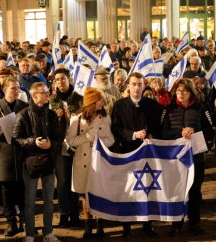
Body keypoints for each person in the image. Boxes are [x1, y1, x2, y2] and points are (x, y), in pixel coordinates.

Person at [111, 72, 161, 238]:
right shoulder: (119, 105)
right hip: (128, 152)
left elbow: (158, 126)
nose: (137, 87)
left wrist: (152, 134)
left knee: (147, 188)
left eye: (140, 84)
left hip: (147, 154)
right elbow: (116, 129)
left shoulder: (152, 105)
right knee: (128, 189)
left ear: (144, 86)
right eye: (134, 84)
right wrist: (133, 134)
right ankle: (126, 226)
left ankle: (147, 224)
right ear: (128, 86)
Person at [162, 78, 213, 236]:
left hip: (196, 157)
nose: (181, 94)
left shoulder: (200, 108)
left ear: (191, 92)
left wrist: (195, 133)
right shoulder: (168, 109)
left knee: (195, 191)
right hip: (175, 159)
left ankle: (195, 223)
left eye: (184, 91)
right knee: (177, 191)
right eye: (178, 91)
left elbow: (210, 132)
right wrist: (180, 133)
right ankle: (176, 224)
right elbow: (162, 133)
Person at [13, 82, 62, 242]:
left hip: (49, 161)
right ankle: (29, 235)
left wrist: (51, 144)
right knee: (30, 200)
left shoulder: (52, 115)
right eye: (44, 92)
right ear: (34, 96)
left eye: (47, 92)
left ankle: (48, 232)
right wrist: (33, 142)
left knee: (49, 200)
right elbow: (16, 138)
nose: (48, 95)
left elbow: (59, 137)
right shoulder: (22, 115)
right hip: (30, 162)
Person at [66, 87, 114, 240]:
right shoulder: (77, 119)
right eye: (99, 100)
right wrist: (88, 137)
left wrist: (100, 142)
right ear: (92, 103)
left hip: (99, 160)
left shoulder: (105, 118)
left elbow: (111, 139)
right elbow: (70, 141)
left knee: (99, 191)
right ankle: (88, 224)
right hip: (82, 160)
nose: (102, 102)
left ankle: (100, 224)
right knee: (84, 193)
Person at [0, 76, 28, 237]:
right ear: (4, 90)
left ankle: (24, 220)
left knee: (23, 191)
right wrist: (5, 131)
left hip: (22, 155)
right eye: (13, 88)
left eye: (18, 88)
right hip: (5, 155)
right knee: (6, 192)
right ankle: (11, 223)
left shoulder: (24, 106)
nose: (16, 91)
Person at [49, 68, 83, 228]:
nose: (60, 82)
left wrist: (73, 117)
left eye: (63, 79)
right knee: (62, 182)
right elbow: (47, 125)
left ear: (69, 79)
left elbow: (86, 122)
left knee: (75, 181)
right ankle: (64, 214)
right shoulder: (51, 100)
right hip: (60, 146)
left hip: (77, 145)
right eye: (57, 79)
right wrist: (54, 119)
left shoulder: (79, 99)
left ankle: (75, 214)